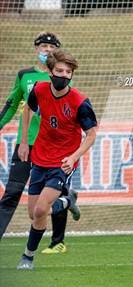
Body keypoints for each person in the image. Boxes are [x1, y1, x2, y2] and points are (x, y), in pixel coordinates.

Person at [16, 49, 97, 270]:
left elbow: (91, 134)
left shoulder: (80, 102)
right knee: (33, 213)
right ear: (50, 71)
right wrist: (24, 141)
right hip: (40, 157)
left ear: (72, 75)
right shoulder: (40, 90)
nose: (63, 75)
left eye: (68, 72)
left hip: (63, 162)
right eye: (59, 70)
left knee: (42, 210)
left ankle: (27, 257)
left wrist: (74, 157)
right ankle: (68, 200)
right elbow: (27, 110)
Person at [0, 32, 80, 254]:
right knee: (13, 192)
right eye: (42, 46)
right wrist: (22, 140)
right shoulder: (25, 76)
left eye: (51, 47)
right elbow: (12, 105)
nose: (46, 50)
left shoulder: (60, 77)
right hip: (26, 144)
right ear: (36, 49)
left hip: (54, 146)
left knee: (53, 191)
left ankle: (57, 241)